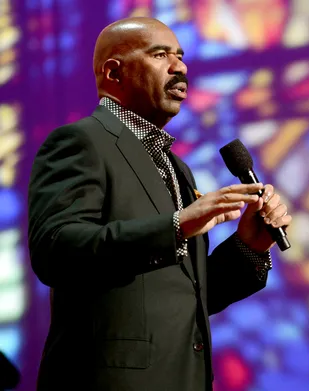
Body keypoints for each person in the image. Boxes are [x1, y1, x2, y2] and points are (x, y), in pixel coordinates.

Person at [28, 17, 292, 391]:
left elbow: (187, 294)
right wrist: (176, 226)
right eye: (160, 54)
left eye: (181, 56)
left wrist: (249, 247)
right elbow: (55, 250)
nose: (180, 66)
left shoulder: (176, 166)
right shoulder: (80, 142)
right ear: (114, 72)